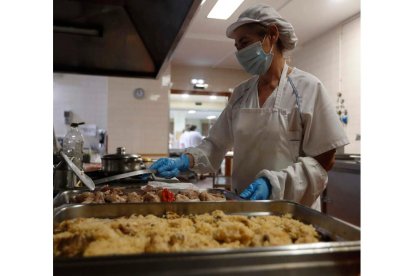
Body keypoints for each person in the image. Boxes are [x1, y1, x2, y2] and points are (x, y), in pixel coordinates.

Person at [151, 4, 349, 210]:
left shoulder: (307, 88)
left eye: (245, 43)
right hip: (243, 204)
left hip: (292, 208)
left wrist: (273, 184)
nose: (240, 53)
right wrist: (185, 160)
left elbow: (325, 160)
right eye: (237, 47)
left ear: (272, 35)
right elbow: (216, 144)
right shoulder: (240, 94)